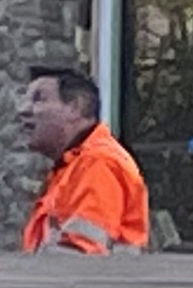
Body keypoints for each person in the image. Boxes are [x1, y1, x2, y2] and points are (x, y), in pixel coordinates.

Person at [16, 63, 151, 254]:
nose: (23, 109)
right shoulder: (74, 166)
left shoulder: (97, 163)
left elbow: (81, 256)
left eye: (39, 99)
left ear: (75, 107)